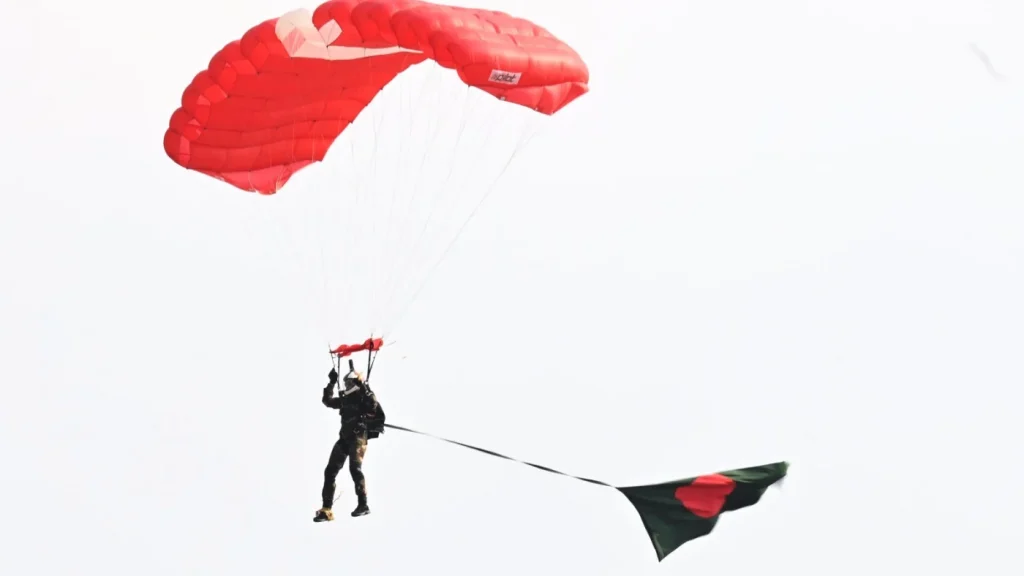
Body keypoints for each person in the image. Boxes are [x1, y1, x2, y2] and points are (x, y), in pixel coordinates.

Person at [314, 364, 385, 522]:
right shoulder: (345, 400)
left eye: (349, 383)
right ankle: (326, 510)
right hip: (344, 440)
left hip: (358, 438)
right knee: (330, 471)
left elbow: (373, 404)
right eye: (345, 383)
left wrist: (364, 386)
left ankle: (363, 505)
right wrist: (331, 382)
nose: (346, 386)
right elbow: (327, 401)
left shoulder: (363, 397)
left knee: (355, 469)